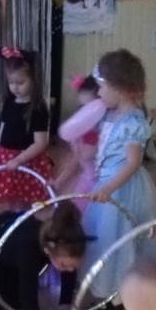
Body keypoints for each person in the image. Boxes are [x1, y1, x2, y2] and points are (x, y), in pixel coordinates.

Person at [80, 50, 156, 306]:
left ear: (118, 88)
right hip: (108, 183)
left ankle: (119, 294)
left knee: (119, 239)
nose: (98, 93)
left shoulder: (133, 121)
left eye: (101, 87)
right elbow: (106, 148)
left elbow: (133, 162)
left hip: (123, 188)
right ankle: (109, 289)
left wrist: (109, 187)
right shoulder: (110, 116)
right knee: (104, 239)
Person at [0, 46, 52, 205]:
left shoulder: (38, 108)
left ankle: (23, 219)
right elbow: (3, 128)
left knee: (25, 203)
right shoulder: (9, 102)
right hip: (4, 157)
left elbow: (41, 143)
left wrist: (19, 159)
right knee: (9, 199)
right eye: (11, 82)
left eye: (20, 82)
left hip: (27, 160)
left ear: (34, 80)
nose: (15, 87)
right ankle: (12, 218)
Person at [50, 75, 102, 211]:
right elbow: (75, 160)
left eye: (92, 107)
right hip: (88, 180)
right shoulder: (82, 134)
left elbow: (83, 156)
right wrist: (59, 181)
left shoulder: (102, 134)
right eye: (84, 108)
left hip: (102, 185)